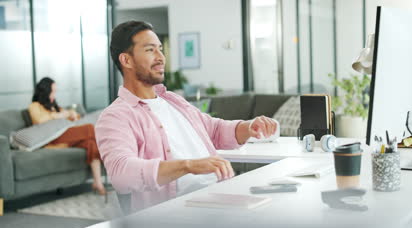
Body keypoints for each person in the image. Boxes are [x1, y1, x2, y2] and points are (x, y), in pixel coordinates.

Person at [95, 21, 277, 212]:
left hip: (218, 196)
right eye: (150, 50)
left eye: (160, 49)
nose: (161, 57)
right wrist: (189, 165)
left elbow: (213, 129)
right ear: (126, 60)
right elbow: (121, 174)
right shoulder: (116, 117)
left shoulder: (172, 100)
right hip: (177, 213)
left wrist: (248, 128)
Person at [29, 77, 106, 195]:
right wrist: (59, 115)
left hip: (65, 137)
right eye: (52, 91)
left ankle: (97, 183)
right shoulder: (34, 106)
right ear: (45, 91)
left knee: (92, 143)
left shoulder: (54, 106)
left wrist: (72, 115)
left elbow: (68, 118)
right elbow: (40, 120)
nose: (54, 95)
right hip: (51, 138)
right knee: (90, 128)